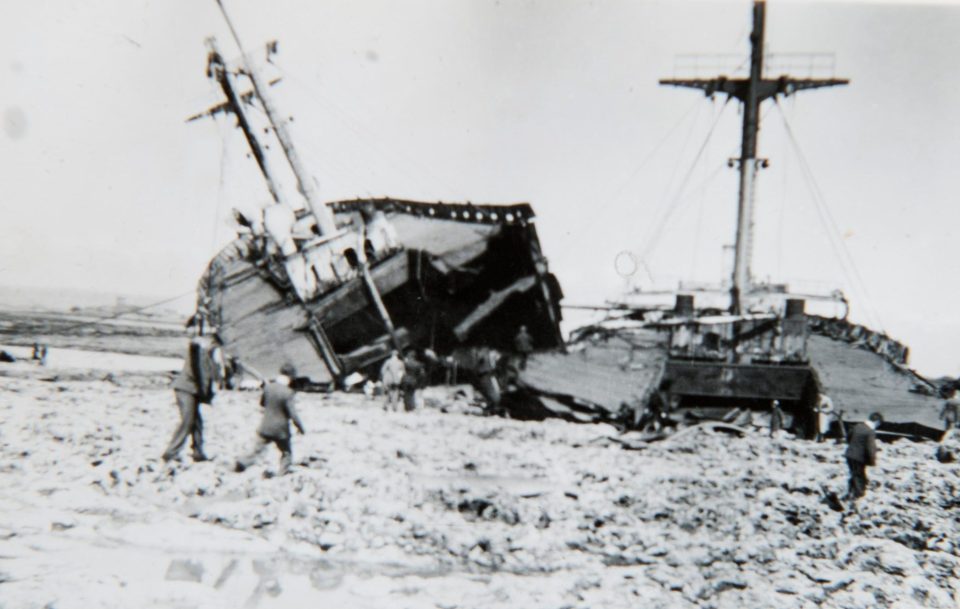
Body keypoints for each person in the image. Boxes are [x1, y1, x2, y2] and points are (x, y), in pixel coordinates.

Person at [235, 363, 305, 475]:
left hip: (265, 426)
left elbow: (262, 403)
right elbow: (293, 414)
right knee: (286, 452)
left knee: (256, 450)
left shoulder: (269, 387)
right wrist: (300, 427)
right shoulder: (288, 393)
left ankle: (241, 463)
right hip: (280, 430)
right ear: (290, 377)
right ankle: (282, 473)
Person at [161, 335, 223, 463]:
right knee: (188, 421)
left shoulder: (204, 353)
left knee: (197, 422)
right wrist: (208, 396)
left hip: (191, 390)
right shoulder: (200, 351)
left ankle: (198, 452)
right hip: (186, 389)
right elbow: (204, 375)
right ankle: (171, 452)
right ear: (212, 343)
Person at [844, 412, 883, 502]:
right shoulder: (870, 431)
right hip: (859, 457)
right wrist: (872, 461)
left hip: (849, 454)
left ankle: (850, 492)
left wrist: (853, 446)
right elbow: (871, 448)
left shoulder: (857, 426)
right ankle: (859, 495)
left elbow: (848, 437)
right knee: (859, 476)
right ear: (877, 422)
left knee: (854, 474)